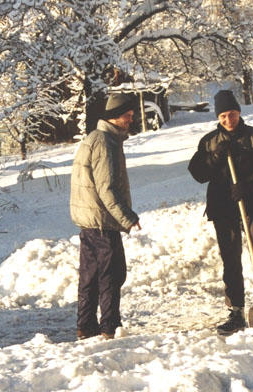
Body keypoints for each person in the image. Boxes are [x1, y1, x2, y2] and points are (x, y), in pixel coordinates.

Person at [188, 90, 253, 335]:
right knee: (230, 257)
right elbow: (198, 173)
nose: (228, 120)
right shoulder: (210, 142)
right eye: (222, 116)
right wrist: (216, 156)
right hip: (223, 205)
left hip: (252, 203)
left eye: (231, 114)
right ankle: (236, 309)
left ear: (239, 112)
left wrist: (248, 185)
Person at [70, 93, 141, 340]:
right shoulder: (105, 143)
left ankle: (85, 327)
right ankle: (110, 327)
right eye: (127, 116)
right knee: (112, 275)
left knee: (89, 277)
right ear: (115, 117)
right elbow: (106, 188)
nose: (131, 120)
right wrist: (127, 217)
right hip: (102, 222)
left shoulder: (94, 138)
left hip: (89, 222)